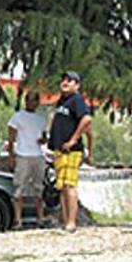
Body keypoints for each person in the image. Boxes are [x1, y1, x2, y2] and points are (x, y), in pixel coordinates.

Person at [48, 70, 92, 232]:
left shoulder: (77, 100)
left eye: (70, 80)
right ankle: (65, 220)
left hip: (71, 151)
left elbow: (87, 119)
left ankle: (72, 223)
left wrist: (73, 140)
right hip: (59, 150)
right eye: (63, 80)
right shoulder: (62, 102)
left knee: (69, 185)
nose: (65, 83)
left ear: (77, 85)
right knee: (62, 186)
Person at [7, 90, 48, 228]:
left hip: (38, 155)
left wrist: (43, 140)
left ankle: (40, 218)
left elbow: (44, 136)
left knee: (39, 188)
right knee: (19, 188)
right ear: (26, 101)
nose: (32, 103)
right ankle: (18, 220)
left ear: (37, 102)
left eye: (34, 100)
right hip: (22, 155)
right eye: (29, 100)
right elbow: (11, 138)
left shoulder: (41, 119)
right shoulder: (17, 117)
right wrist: (11, 156)